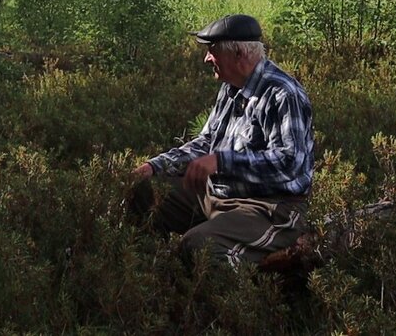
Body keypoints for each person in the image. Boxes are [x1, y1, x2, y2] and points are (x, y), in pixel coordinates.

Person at [130, 14, 314, 267]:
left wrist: (222, 162)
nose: (207, 58)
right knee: (143, 191)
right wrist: (155, 166)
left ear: (238, 54)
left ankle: (252, 297)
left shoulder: (283, 93)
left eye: (212, 50)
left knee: (199, 247)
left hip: (268, 208)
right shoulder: (230, 88)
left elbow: (288, 162)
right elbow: (207, 142)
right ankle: (149, 275)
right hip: (215, 194)